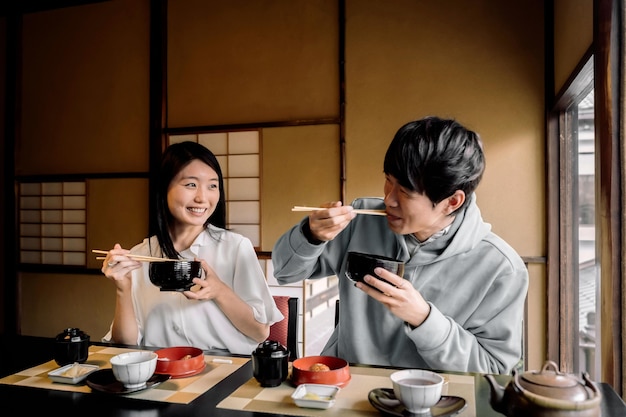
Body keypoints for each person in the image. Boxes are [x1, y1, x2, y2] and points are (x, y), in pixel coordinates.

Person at [272, 116, 529, 374]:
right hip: (348, 385)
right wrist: (310, 234)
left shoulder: (501, 268)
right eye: (388, 180)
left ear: (452, 201)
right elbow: (285, 272)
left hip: (433, 402)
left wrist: (423, 318)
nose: (388, 199)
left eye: (405, 191)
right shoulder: (362, 220)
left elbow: (492, 369)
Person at [100, 141, 283, 355]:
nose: (202, 198)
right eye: (191, 184)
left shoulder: (235, 247)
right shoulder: (140, 255)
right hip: (161, 371)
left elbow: (260, 332)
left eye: (212, 186)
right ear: (164, 188)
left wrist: (219, 291)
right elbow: (125, 345)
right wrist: (123, 289)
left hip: (224, 370)